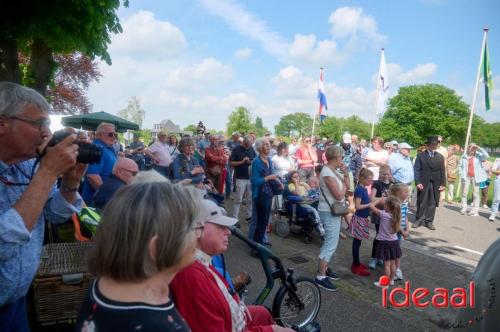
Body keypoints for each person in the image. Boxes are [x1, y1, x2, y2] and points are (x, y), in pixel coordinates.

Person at [0, 82, 85, 332]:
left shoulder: (28, 166)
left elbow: (54, 215)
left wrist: (71, 181)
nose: (47, 134)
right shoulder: (39, 169)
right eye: (39, 123)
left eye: (48, 124)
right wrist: (47, 173)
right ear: (2, 124)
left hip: (17, 304)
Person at [75, 182, 198, 331]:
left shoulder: (105, 284)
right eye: (192, 227)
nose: (199, 233)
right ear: (157, 248)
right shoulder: (160, 327)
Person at [170, 199, 293, 332]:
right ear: (197, 230)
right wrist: (272, 330)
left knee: (263, 313)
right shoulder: (192, 278)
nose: (228, 232)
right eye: (220, 226)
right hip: (231, 324)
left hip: (232, 316)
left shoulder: (200, 259)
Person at [316, 146, 349, 291]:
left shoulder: (331, 171)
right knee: (330, 243)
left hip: (332, 211)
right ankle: (321, 276)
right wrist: (345, 189)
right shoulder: (327, 173)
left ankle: (325, 269)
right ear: (336, 158)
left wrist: (346, 174)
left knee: (331, 241)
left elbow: (346, 185)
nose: (342, 159)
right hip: (329, 211)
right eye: (341, 157)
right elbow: (340, 195)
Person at [250, 138, 282, 251]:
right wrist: (269, 178)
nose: (269, 146)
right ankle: (255, 248)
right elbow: (254, 181)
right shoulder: (256, 162)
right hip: (260, 195)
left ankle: (260, 244)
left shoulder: (269, 160)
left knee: (265, 222)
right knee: (260, 222)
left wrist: (279, 183)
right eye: (266, 145)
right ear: (259, 148)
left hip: (269, 194)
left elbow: (273, 176)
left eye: (269, 145)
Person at [413, 136, 446, 230]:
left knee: (432, 202)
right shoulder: (421, 155)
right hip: (423, 182)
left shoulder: (440, 157)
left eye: (435, 144)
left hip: (436, 183)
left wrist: (443, 184)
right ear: (428, 145)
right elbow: (416, 170)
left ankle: (429, 221)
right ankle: (419, 219)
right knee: (422, 201)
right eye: (432, 144)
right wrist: (418, 182)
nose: (433, 146)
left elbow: (442, 171)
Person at [81, 122, 118, 204]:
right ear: (99, 135)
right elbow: (92, 176)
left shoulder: (108, 148)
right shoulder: (97, 148)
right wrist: (109, 197)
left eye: (115, 135)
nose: (114, 137)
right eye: (111, 134)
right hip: (97, 202)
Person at [370, 196, 402, 288]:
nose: (383, 205)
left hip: (385, 243)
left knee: (387, 265)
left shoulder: (384, 214)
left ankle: (385, 284)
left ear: (388, 207)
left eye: (385, 204)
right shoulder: (396, 216)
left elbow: (371, 206)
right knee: (393, 264)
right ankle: (391, 280)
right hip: (394, 242)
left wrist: (380, 199)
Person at [368, 164, 394, 270]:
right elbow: (372, 198)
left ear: (390, 173)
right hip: (379, 213)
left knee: (387, 237)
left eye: (387, 173)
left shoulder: (393, 184)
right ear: (380, 174)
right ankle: (373, 257)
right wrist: (382, 199)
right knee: (379, 235)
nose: (385, 176)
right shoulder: (377, 184)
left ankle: (381, 256)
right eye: (383, 173)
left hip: (389, 214)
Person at [349, 168, 373, 277]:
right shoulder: (359, 189)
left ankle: (357, 263)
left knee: (358, 243)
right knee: (356, 243)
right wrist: (370, 205)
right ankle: (355, 265)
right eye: (368, 180)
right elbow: (358, 206)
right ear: (362, 179)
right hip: (359, 219)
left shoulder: (363, 188)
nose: (370, 182)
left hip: (363, 218)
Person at [288, 170, 324, 237]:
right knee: (313, 210)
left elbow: (311, 191)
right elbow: (297, 194)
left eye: (297, 176)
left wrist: (304, 184)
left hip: (310, 200)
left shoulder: (303, 183)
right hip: (301, 202)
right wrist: (296, 183)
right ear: (291, 179)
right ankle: (320, 227)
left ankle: (322, 224)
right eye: (294, 177)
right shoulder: (291, 185)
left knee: (319, 198)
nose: (297, 178)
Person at [230, 135, 256, 223]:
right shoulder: (236, 149)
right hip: (240, 178)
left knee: (250, 198)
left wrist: (250, 161)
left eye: (251, 144)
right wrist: (242, 162)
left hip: (250, 177)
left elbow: (255, 160)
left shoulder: (251, 148)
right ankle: (234, 218)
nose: (249, 146)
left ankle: (249, 216)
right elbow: (231, 163)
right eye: (248, 144)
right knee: (238, 199)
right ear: (244, 142)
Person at [459, 143, 489, 216]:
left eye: (474, 148)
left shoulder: (479, 156)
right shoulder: (464, 156)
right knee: (464, 193)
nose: (473, 149)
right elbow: (460, 166)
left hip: (476, 177)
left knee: (476, 194)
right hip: (466, 177)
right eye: (471, 148)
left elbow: (487, 155)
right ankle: (464, 208)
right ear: (468, 148)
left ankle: (475, 210)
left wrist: (478, 147)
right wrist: (461, 174)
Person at [388, 183, 410, 281]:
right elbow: (395, 220)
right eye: (405, 192)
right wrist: (402, 231)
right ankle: (392, 270)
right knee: (393, 251)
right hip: (395, 231)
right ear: (398, 193)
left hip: (401, 232)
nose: (408, 193)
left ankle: (397, 269)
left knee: (398, 251)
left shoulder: (405, 203)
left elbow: (406, 217)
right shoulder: (395, 205)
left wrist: (407, 229)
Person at [388, 142, 414, 207]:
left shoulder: (407, 158)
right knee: (396, 205)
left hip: (408, 185)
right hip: (399, 185)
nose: (409, 150)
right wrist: (393, 182)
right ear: (401, 150)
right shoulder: (394, 157)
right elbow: (389, 170)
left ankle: (402, 216)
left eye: (409, 149)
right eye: (407, 149)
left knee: (404, 205)